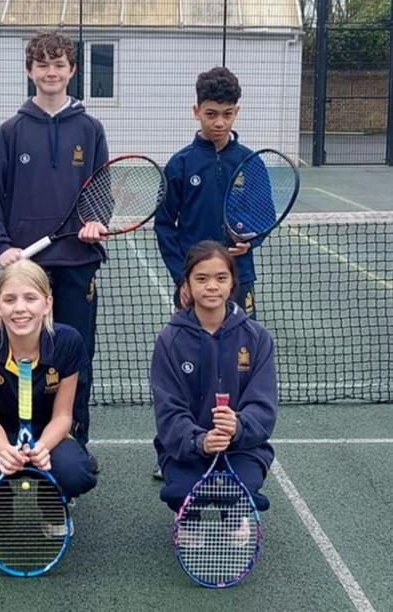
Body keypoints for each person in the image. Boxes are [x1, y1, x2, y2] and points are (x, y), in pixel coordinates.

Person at [0, 30, 110, 474]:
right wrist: (1, 248)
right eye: (42, 64)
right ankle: (11, 445)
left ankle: (73, 445)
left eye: (59, 64)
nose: (51, 72)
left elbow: (99, 191)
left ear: (72, 71)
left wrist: (95, 221)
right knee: (15, 361)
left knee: (75, 359)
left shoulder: (90, 130)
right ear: (29, 70)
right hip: (25, 273)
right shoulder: (11, 131)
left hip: (77, 265)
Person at [151, 66, 264, 480]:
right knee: (185, 368)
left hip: (239, 280)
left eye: (227, 114)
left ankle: (237, 446)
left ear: (237, 113)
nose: (219, 122)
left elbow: (262, 217)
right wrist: (183, 277)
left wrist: (252, 239)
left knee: (238, 367)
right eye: (211, 113)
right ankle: (177, 447)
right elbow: (165, 224)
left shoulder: (250, 162)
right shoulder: (181, 164)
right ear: (195, 110)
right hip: (192, 287)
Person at [0, 260, 97, 540]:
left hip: (49, 433)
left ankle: (54, 506)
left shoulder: (68, 341)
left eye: (30, 298)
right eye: (9, 299)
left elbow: (63, 416)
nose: (20, 308)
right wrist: (5, 451)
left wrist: (43, 447)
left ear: (47, 303)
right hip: (0, 433)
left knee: (75, 472)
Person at [150, 241, 276, 515]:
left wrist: (238, 426)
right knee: (180, 493)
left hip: (242, 449)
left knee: (239, 491)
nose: (211, 286)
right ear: (186, 284)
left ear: (232, 283)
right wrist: (200, 441)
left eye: (221, 278)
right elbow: (169, 411)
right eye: (201, 278)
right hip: (187, 450)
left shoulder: (258, 338)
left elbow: (263, 407)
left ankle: (237, 513)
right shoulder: (169, 340)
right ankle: (189, 516)